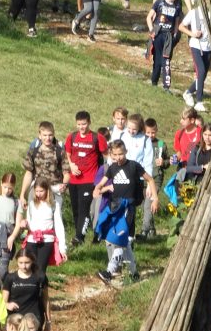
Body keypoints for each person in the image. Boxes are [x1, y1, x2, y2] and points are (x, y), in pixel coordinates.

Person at [94, 140, 159, 284]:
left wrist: (155, 199)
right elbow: (102, 182)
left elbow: (150, 180)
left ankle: (109, 272)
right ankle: (134, 272)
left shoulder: (133, 166)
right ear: (111, 154)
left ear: (126, 152)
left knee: (120, 239)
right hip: (115, 208)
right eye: (115, 155)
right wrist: (97, 187)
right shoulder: (112, 168)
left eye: (121, 154)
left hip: (128, 208)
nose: (119, 157)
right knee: (126, 243)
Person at [64, 111, 107, 246]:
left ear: (89, 123)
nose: (81, 127)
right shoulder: (72, 137)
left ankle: (79, 237)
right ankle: (78, 236)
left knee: (84, 209)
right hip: (74, 180)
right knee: (76, 209)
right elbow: (68, 152)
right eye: (79, 124)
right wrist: (71, 165)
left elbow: (106, 155)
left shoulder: (97, 137)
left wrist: (106, 175)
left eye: (84, 124)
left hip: (89, 179)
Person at [13, 179, 67, 275]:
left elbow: (59, 225)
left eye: (41, 191)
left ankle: (41, 289)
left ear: (47, 190)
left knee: (41, 270)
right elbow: (29, 222)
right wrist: (24, 224)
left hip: (47, 240)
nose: (38, 194)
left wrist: (62, 248)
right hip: (31, 239)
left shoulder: (54, 203)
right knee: (29, 268)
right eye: (36, 191)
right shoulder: (31, 201)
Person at [20, 121, 70, 210]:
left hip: (54, 191)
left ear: (54, 135)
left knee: (56, 220)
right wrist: (22, 194)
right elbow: (28, 174)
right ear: (40, 135)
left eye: (50, 135)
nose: (48, 138)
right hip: (37, 191)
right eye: (45, 135)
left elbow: (66, 173)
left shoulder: (60, 152)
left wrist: (64, 185)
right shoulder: (33, 152)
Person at [121, 113, 155, 239]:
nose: (131, 131)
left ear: (140, 128)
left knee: (131, 207)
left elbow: (148, 162)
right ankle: (120, 232)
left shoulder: (145, 140)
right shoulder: (123, 135)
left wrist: (150, 185)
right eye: (129, 128)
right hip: (121, 176)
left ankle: (130, 235)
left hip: (136, 178)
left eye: (134, 129)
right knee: (120, 205)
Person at [179, 0, 211, 112]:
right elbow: (181, 26)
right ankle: (199, 101)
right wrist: (192, 34)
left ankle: (188, 92)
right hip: (196, 46)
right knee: (201, 71)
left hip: (208, 47)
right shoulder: (194, 13)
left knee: (203, 75)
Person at [147, 0, 183, 92]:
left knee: (166, 60)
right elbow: (149, 17)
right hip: (158, 34)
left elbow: (176, 23)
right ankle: (154, 82)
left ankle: (166, 86)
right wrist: (151, 30)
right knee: (157, 60)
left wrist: (175, 34)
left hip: (168, 36)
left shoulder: (177, 7)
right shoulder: (159, 2)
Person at [3, 249, 50, 331]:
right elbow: (3, 301)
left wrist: (48, 321)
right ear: (16, 261)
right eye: (20, 263)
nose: (23, 266)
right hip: (15, 319)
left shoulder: (40, 277)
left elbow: (45, 299)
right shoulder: (10, 278)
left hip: (34, 319)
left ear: (32, 261)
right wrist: (7, 305)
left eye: (27, 263)